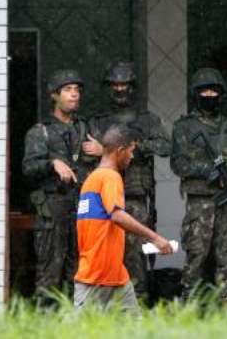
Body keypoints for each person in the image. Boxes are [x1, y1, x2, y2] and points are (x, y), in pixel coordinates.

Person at [89, 61, 171, 299]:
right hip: (103, 199)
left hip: (134, 197)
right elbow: (85, 154)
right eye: (115, 84)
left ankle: (138, 305)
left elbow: (165, 146)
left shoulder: (147, 120)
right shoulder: (98, 121)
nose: (120, 89)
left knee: (135, 258)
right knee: (104, 254)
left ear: (132, 87)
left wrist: (131, 147)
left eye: (124, 84)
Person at [171, 68, 227, 302]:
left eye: (214, 91)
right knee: (196, 254)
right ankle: (189, 302)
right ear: (195, 95)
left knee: (226, 256)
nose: (209, 96)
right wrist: (208, 171)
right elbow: (178, 163)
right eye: (204, 91)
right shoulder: (184, 127)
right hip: (200, 202)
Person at [22, 69, 102, 300]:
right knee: (50, 271)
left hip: (83, 208)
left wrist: (102, 150)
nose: (74, 94)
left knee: (80, 270)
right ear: (54, 95)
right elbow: (28, 169)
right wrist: (52, 163)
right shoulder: (41, 132)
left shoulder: (86, 129)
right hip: (53, 210)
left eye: (77, 90)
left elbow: (115, 157)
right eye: (68, 90)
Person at [75, 124, 173, 312]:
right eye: (131, 150)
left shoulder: (92, 179)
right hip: (96, 277)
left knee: (134, 329)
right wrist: (155, 238)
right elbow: (117, 215)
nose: (132, 156)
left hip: (116, 276)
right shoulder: (110, 177)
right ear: (120, 151)